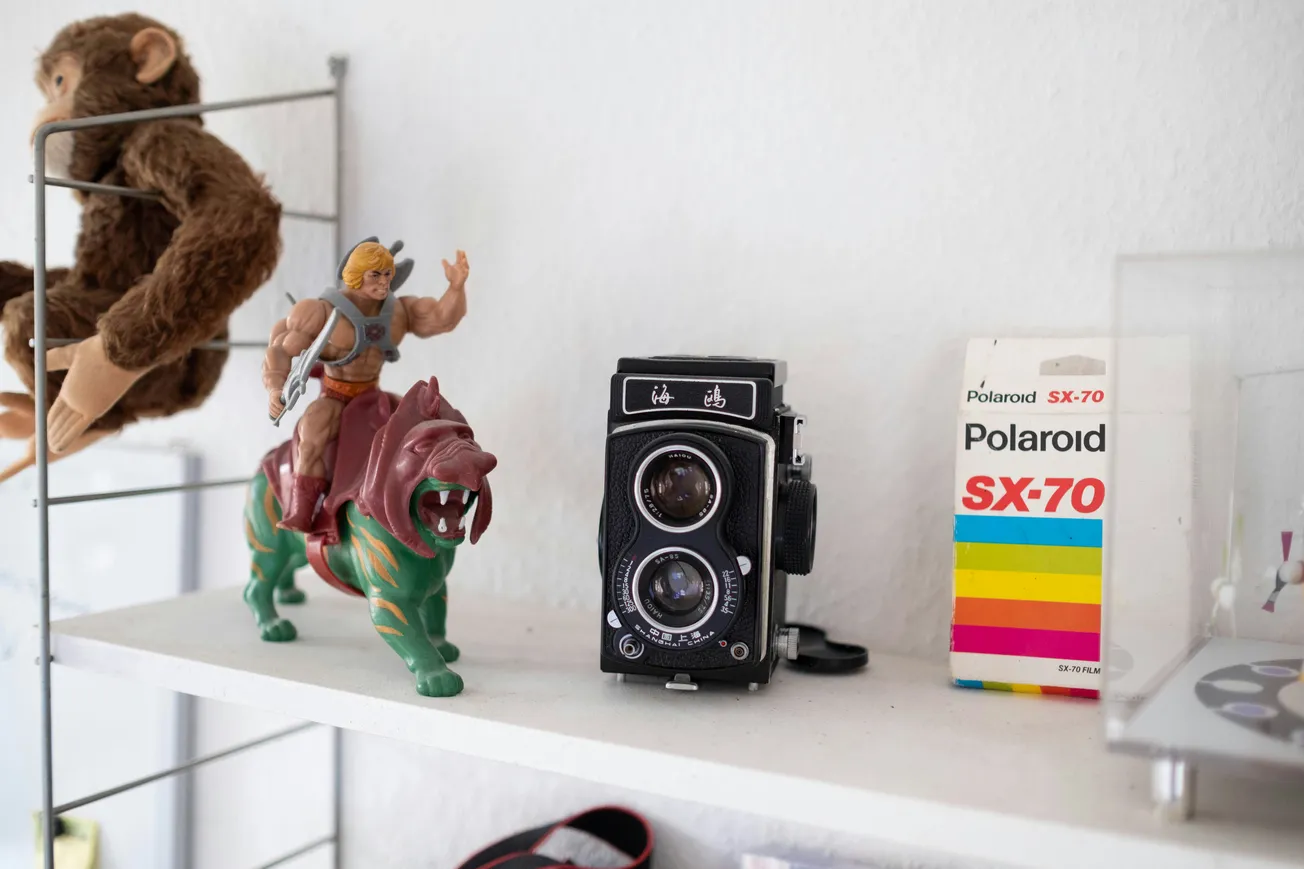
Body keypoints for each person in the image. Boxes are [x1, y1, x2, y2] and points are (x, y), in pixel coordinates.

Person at [262, 240, 470, 531]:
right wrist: (275, 387)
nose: (384, 282)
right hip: (335, 396)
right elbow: (280, 349)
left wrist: (456, 288)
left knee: (425, 428)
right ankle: (302, 509)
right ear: (356, 274)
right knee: (312, 432)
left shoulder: (398, 312)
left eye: (387, 274)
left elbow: (440, 319)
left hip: (374, 396)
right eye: (375, 275)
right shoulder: (320, 312)